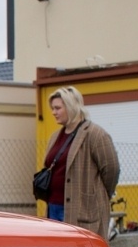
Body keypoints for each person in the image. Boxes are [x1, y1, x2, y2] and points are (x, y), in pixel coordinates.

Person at [42, 86, 119, 235]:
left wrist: (98, 195)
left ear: (71, 107)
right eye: (52, 108)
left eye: (57, 108)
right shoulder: (55, 136)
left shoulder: (95, 134)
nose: (53, 112)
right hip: (54, 207)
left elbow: (111, 169)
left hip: (81, 211)